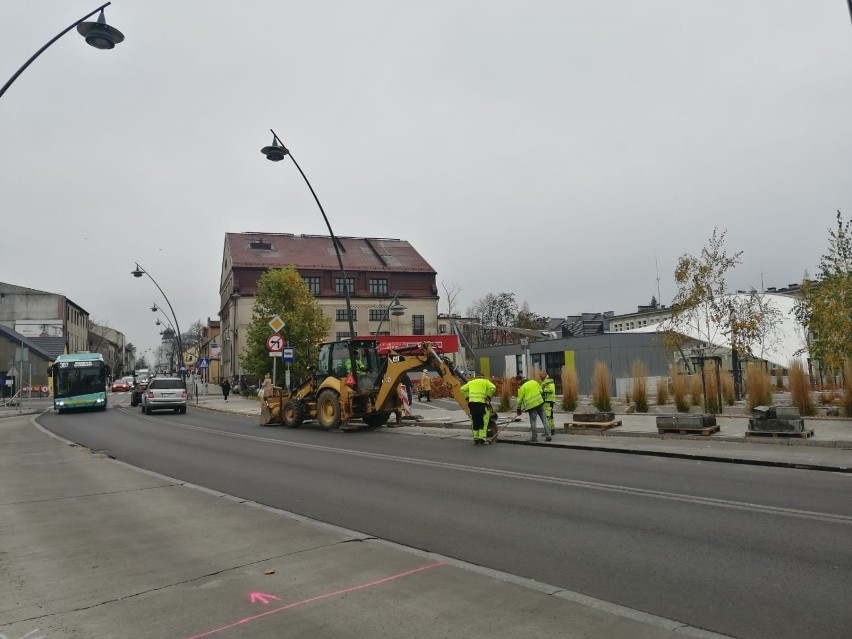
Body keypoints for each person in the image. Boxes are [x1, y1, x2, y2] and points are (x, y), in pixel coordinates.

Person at [460, 372, 497, 445]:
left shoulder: (471, 382)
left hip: (472, 404)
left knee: (475, 421)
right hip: (482, 404)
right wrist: (489, 396)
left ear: (476, 377)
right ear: (483, 377)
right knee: (483, 421)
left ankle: (476, 438)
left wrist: (467, 397)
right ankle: (482, 439)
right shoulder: (485, 382)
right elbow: (493, 387)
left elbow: (462, 389)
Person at [516, 375, 550, 442]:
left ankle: (534, 437)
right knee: (544, 420)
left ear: (519, 380)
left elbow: (519, 400)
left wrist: (518, 409)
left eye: (517, 382)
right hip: (540, 403)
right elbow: (541, 391)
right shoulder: (534, 382)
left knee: (533, 422)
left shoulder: (522, 388)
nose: (517, 383)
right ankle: (548, 435)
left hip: (531, 406)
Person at [539, 370, 556, 436]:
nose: (540, 377)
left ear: (544, 374)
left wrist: (542, 390)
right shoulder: (544, 381)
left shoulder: (549, 380)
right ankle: (552, 429)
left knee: (547, 416)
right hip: (547, 400)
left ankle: (548, 431)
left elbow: (551, 390)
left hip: (548, 400)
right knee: (550, 416)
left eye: (540, 375)